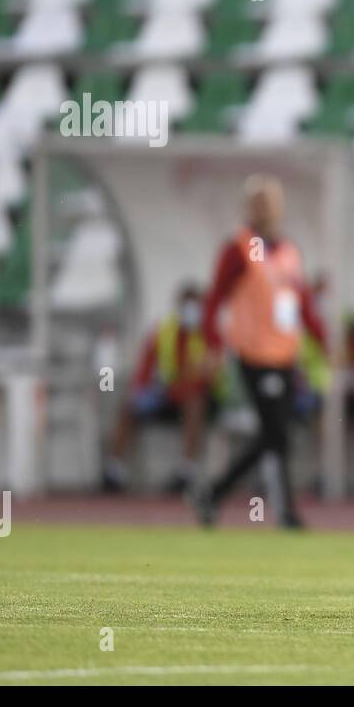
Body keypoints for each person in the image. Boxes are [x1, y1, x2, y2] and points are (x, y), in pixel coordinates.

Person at [193, 175, 329, 529]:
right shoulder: (238, 249)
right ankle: (286, 512)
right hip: (254, 353)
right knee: (277, 434)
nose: (265, 210)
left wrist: (324, 340)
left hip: (285, 354)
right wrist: (212, 345)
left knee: (275, 433)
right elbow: (214, 300)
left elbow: (303, 302)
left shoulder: (287, 251)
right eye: (259, 203)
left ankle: (213, 492)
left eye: (269, 202)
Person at [104, 283, 221, 494]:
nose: (190, 311)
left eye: (195, 305)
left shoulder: (210, 333)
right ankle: (114, 471)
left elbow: (210, 375)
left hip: (204, 401)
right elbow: (145, 370)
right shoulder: (165, 330)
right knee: (129, 406)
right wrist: (141, 391)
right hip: (169, 397)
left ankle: (186, 471)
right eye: (186, 305)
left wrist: (185, 382)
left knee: (194, 404)